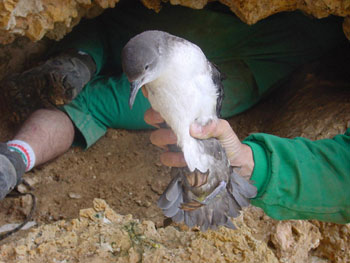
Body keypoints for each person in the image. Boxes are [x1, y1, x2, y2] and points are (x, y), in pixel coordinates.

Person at [0, 0, 349, 224]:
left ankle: (80, 60)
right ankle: (80, 65)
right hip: (238, 60)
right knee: (105, 98)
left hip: (175, 36)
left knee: (107, 26)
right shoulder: (317, 33)